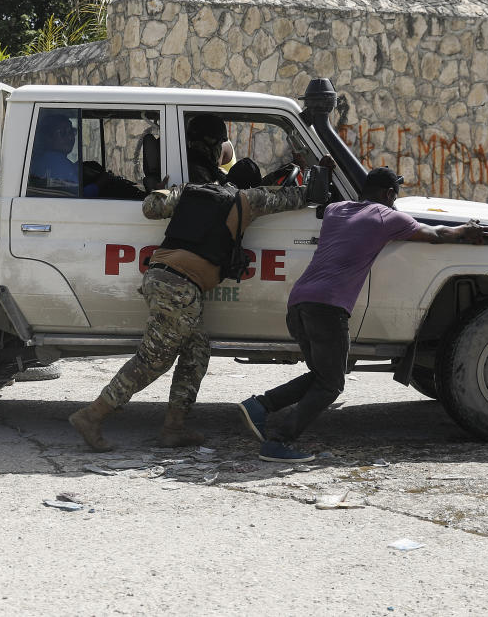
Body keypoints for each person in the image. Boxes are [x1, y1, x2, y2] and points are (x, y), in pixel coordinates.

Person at [68, 146, 335, 452]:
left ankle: (174, 428)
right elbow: (298, 198)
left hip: (164, 279)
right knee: (153, 360)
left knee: (196, 350)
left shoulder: (190, 191)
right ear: (249, 185)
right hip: (179, 287)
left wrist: (166, 188)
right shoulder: (248, 199)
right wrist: (323, 173)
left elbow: (151, 207)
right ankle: (92, 415)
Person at [237, 167, 488, 463]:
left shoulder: (336, 210)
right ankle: (278, 441)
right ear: (388, 195)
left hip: (299, 303)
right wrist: (467, 230)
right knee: (331, 384)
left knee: (323, 375)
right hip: (328, 309)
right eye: (394, 195)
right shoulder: (387, 218)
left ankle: (259, 406)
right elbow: (435, 234)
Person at [29, 113, 78, 192]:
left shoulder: (39, 161)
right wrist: (100, 182)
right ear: (48, 137)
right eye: (63, 133)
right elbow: (77, 193)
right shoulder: (58, 163)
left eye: (71, 132)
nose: (70, 137)